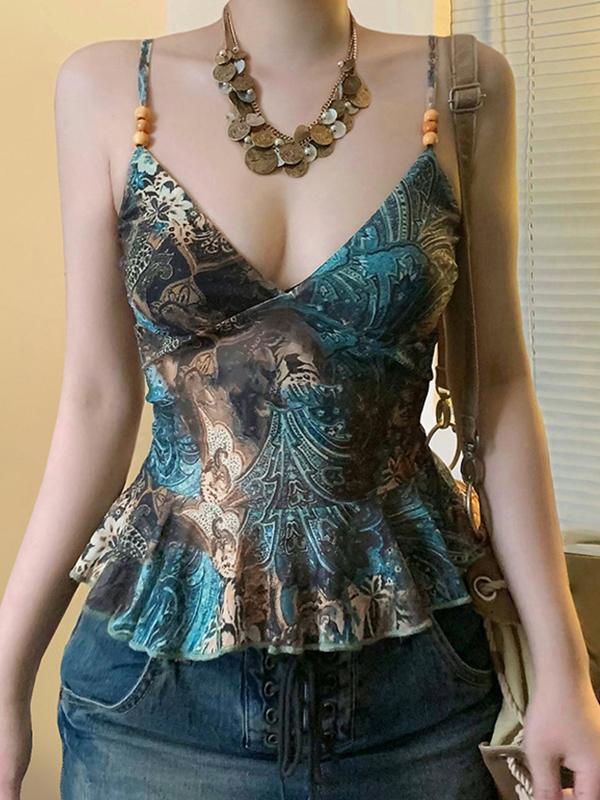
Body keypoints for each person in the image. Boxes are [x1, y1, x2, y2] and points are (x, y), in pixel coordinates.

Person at [1, 2, 600, 799]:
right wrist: (6, 674)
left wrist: (563, 670)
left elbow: (499, 390)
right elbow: (97, 401)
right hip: (155, 706)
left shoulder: (462, 86)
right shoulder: (106, 87)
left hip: (418, 696)